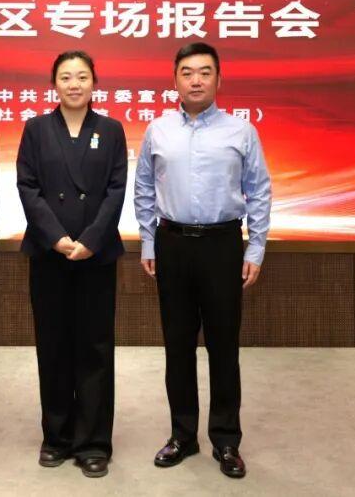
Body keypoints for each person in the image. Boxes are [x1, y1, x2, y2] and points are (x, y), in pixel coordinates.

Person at [134, 42, 272, 480]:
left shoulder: (241, 131)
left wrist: (256, 247)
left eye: (205, 72)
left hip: (222, 245)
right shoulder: (158, 130)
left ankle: (226, 440)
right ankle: (182, 435)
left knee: (223, 346)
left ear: (218, 79)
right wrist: (148, 241)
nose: (196, 80)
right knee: (177, 345)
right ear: (174, 80)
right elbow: (143, 189)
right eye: (187, 72)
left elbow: (260, 190)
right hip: (172, 244)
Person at [16, 50, 128, 479]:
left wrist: (91, 240)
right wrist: (56, 238)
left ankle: (94, 442)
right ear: (54, 84)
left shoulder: (110, 130)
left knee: (95, 348)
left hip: (96, 255)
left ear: (94, 83)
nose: (74, 84)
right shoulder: (36, 129)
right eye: (66, 77)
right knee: (54, 345)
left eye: (82, 76)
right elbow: (28, 187)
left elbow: (116, 189)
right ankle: (57, 437)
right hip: (50, 253)